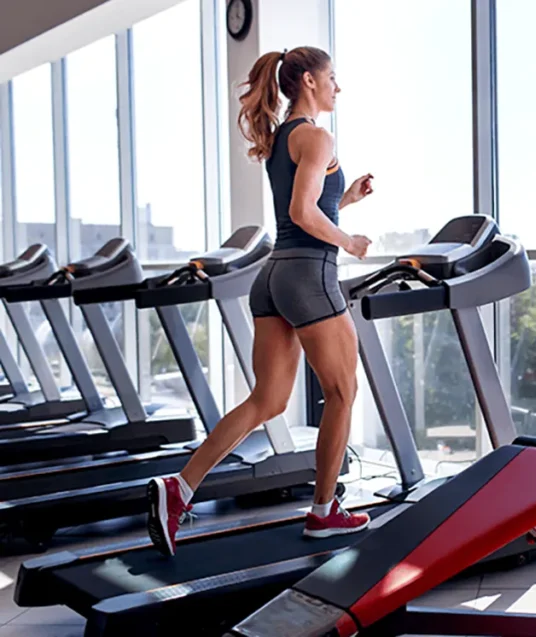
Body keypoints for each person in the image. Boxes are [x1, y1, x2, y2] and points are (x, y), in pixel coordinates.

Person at [147, 46, 375, 557]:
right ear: (311, 82)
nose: (339, 87)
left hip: (272, 276)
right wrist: (350, 241)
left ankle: (179, 488)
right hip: (309, 276)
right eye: (333, 77)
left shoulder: (282, 139)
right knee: (342, 392)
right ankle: (323, 514)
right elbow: (304, 212)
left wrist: (347, 196)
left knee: (267, 401)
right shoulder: (317, 135)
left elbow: (303, 208)